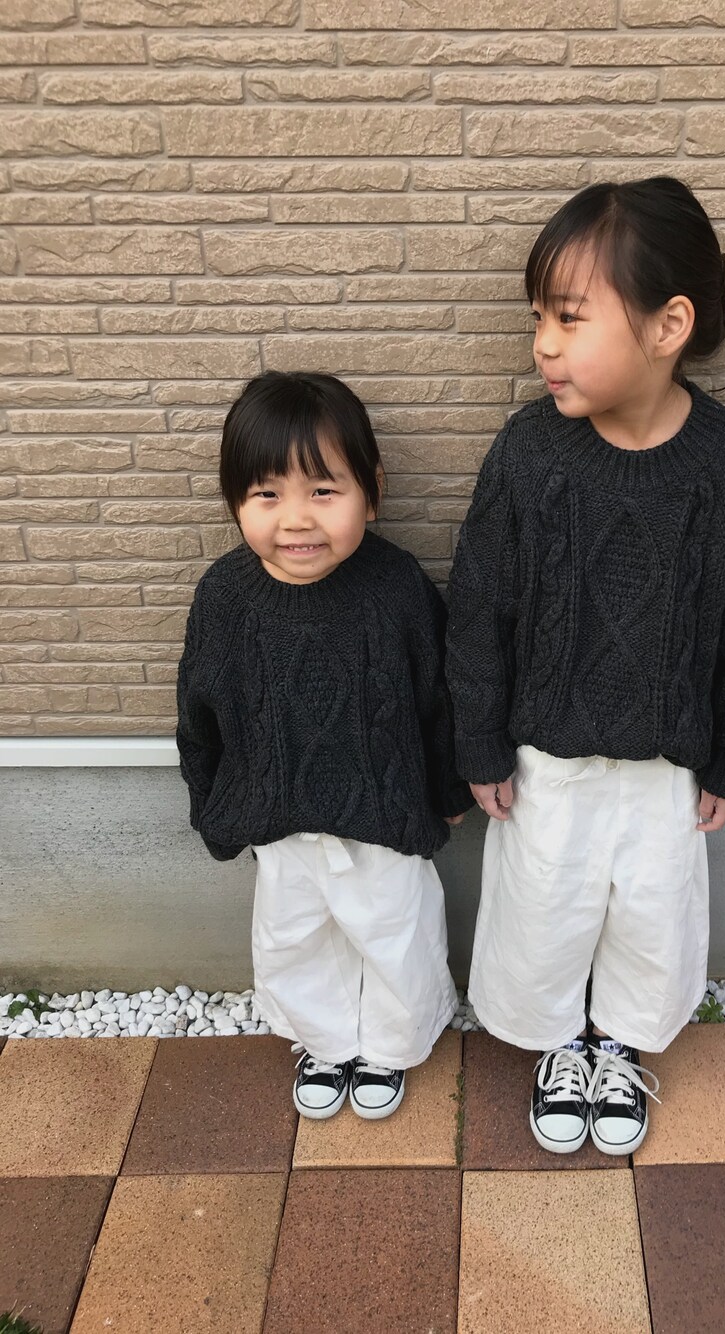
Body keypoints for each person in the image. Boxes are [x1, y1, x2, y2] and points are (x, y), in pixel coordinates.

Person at [446, 177, 725, 1156]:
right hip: (545, 760)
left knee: (652, 918)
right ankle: (559, 1039)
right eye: (537, 319)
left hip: (667, 767)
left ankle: (621, 1041)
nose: (542, 345)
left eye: (568, 317)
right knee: (542, 909)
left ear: (667, 325)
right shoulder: (530, 454)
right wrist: (478, 740)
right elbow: (478, 606)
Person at [176, 371, 472, 1121]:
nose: (296, 519)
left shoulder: (396, 588)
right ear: (234, 502)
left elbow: (439, 700)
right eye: (267, 494)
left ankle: (392, 1044)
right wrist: (211, 802)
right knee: (294, 938)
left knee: (395, 934)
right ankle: (326, 1039)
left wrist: (449, 791)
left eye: (323, 490)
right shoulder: (225, 598)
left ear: (371, 492)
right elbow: (198, 713)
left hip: (385, 815)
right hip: (280, 820)